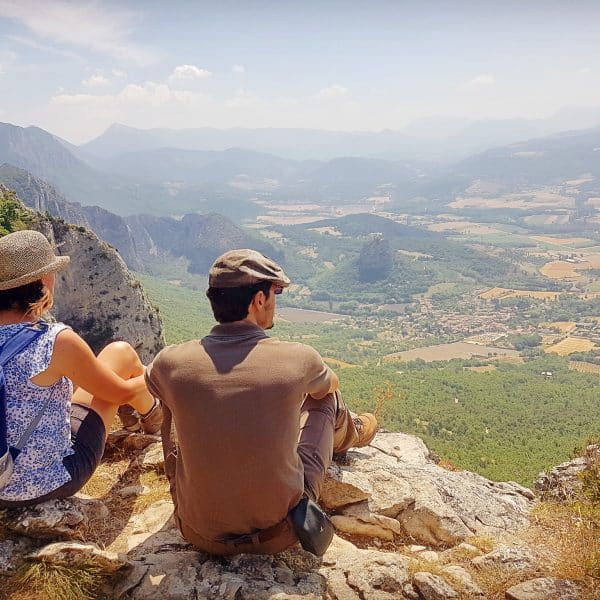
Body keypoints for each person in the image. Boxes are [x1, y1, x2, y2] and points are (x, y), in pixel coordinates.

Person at [145, 248, 378, 555]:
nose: (275, 300)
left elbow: (146, 383)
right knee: (327, 398)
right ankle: (353, 433)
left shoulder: (170, 362)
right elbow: (329, 385)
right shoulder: (298, 358)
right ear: (258, 300)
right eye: (275, 292)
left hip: (196, 531)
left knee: (170, 400)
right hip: (278, 535)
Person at [0, 230, 162, 507]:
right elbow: (120, 393)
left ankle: (149, 415)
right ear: (42, 281)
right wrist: (160, 372)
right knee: (123, 358)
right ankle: (153, 418)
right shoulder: (55, 341)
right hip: (45, 480)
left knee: (117, 355)